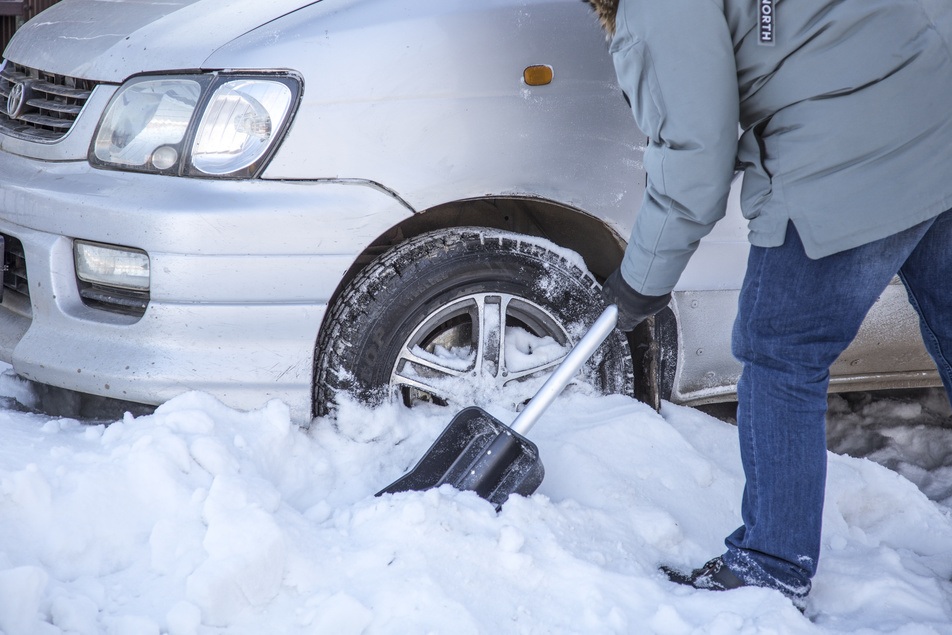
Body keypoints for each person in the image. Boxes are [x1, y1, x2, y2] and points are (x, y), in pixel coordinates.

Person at [589, 0, 952, 611]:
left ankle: (770, 563)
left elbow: (693, 156)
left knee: (780, 354)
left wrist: (641, 279)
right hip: (937, 109)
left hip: (846, 153)